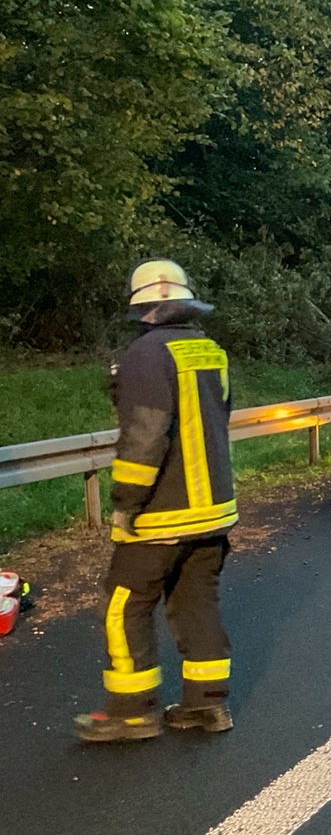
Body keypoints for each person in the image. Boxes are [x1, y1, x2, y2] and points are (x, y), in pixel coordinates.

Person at [75, 259, 238, 743]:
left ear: (144, 308)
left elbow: (146, 437)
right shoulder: (211, 352)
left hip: (162, 512)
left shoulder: (145, 355)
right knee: (196, 604)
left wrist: (126, 504)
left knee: (124, 604)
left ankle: (131, 712)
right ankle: (206, 707)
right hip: (213, 512)